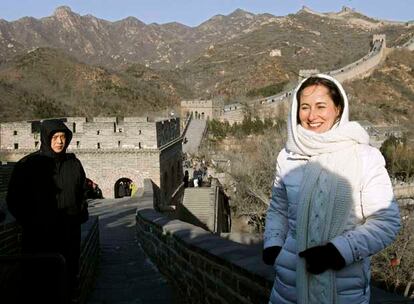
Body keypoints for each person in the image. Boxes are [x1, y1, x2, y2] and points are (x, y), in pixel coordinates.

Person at [263, 74, 400, 304]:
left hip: (343, 287)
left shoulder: (364, 156)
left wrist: (338, 251)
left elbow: (386, 222)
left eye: (320, 106)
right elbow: (279, 209)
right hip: (289, 285)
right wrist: (274, 244)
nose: (311, 115)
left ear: (338, 108)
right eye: (304, 107)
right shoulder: (288, 156)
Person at [7, 119, 88, 303]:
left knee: (67, 284)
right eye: (55, 137)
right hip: (39, 239)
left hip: (69, 237)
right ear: (46, 138)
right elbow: (14, 199)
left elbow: (82, 191)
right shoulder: (28, 165)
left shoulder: (74, 164)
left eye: (63, 137)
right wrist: (31, 222)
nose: (60, 141)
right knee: (39, 287)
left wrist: (79, 214)